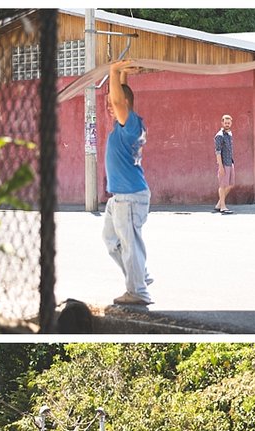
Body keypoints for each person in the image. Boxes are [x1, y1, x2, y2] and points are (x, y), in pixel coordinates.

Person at [102, 60, 153, 306]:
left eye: (113, 102)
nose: (110, 105)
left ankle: (138, 290)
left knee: (130, 245)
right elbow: (122, 97)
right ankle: (140, 274)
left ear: (124, 105)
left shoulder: (130, 125)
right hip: (120, 197)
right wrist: (122, 75)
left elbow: (120, 101)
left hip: (129, 196)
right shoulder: (125, 124)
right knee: (111, 240)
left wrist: (113, 70)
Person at [214, 113, 234, 213]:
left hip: (230, 162)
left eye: (228, 123)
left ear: (231, 123)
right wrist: (220, 167)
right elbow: (218, 152)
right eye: (225, 122)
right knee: (222, 185)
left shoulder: (229, 134)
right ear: (222, 123)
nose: (227, 124)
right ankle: (223, 206)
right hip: (224, 164)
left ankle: (218, 204)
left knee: (230, 185)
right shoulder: (219, 136)